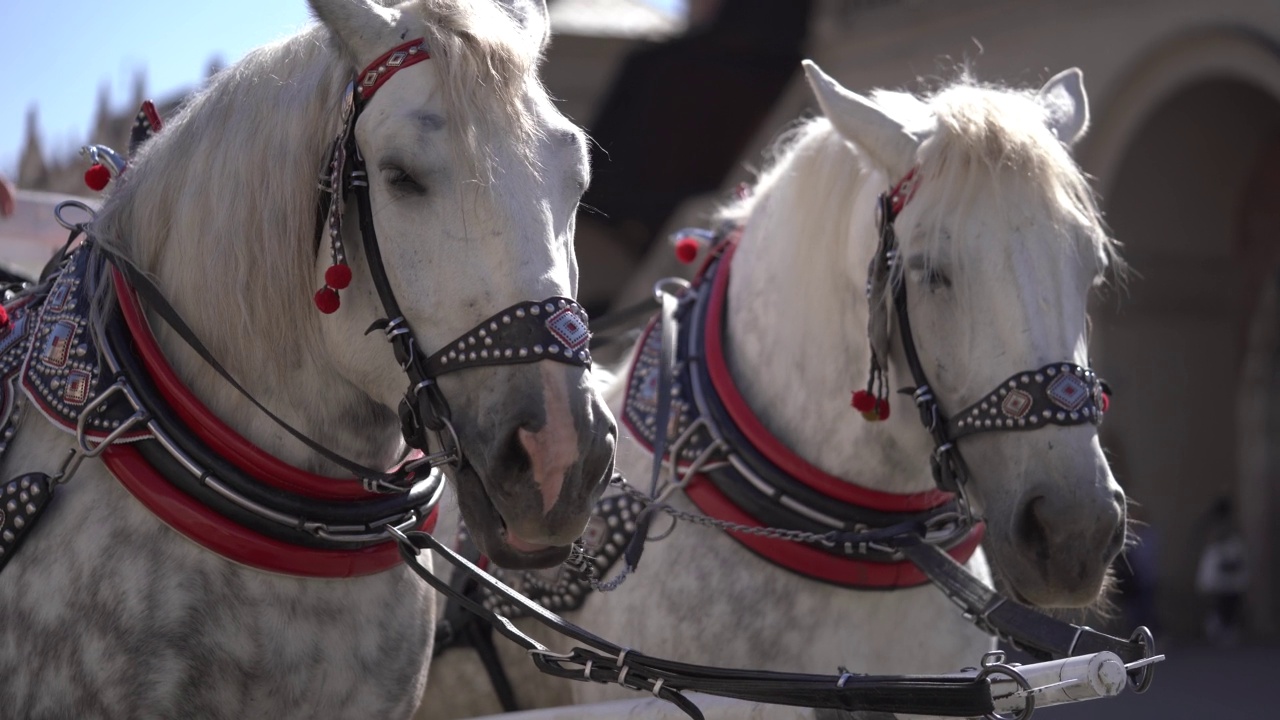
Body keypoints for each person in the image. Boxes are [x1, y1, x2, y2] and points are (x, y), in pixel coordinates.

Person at [1195, 497, 1249, 646]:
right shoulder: (1214, 528)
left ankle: (1227, 630)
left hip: (1229, 574)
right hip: (1218, 573)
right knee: (1218, 604)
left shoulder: (1232, 531)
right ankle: (1217, 630)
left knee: (1229, 604)